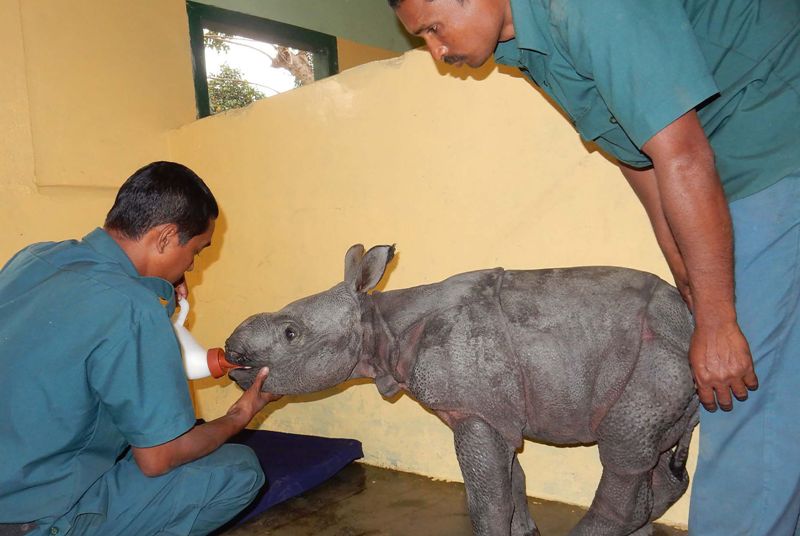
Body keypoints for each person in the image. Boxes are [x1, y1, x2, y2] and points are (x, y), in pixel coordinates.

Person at [389, 0, 800, 534]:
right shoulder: (522, 45)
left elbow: (683, 157)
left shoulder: (588, 8)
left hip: (773, 135)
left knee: (735, 391)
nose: (436, 52)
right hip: (725, 150)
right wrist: (688, 276)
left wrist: (719, 320)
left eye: (434, 29)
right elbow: (639, 157)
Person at [0, 161, 280, 535]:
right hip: (33, 517)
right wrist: (237, 417)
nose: (191, 268)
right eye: (195, 252)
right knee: (237, 469)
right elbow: (159, 458)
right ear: (165, 238)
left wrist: (158, 288)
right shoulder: (133, 307)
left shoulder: (34, 258)